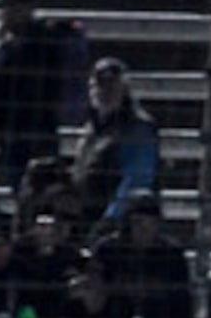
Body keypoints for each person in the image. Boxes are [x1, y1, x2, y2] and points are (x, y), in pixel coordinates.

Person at [0, 0, 87, 197]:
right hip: (12, 131)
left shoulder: (39, 38)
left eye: (19, 6)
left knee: (39, 190)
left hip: (36, 128)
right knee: (21, 191)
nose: (13, 12)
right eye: (8, 6)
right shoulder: (4, 43)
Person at [67, 57, 159, 232]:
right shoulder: (92, 129)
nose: (105, 91)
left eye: (112, 85)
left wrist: (111, 220)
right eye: (100, 85)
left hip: (119, 226)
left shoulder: (136, 128)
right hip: (88, 217)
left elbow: (136, 181)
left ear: (124, 89)